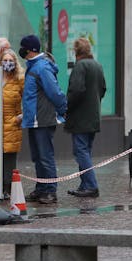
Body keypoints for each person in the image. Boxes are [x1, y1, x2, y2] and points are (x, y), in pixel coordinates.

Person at [19, 35, 67, 204]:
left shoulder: (42, 68)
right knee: (37, 156)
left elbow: (55, 93)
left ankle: (50, 191)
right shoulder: (33, 67)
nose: (21, 50)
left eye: (23, 47)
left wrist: (63, 110)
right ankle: (41, 188)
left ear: (31, 50)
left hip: (43, 119)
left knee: (45, 156)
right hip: (34, 119)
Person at [65, 38, 106, 198]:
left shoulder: (80, 66)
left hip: (80, 117)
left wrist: (67, 107)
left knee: (81, 151)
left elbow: (76, 90)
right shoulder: (97, 65)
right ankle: (84, 184)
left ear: (76, 51)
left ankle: (90, 185)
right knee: (86, 150)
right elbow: (103, 88)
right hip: (93, 115)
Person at [0, 49, 23, 196]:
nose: (7, 63)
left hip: (12, 122)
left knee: (9, 157)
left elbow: (29, 98)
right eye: (5, 60)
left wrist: (22, 116)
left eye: (10, 61)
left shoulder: (20, 78)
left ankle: (8, 188)